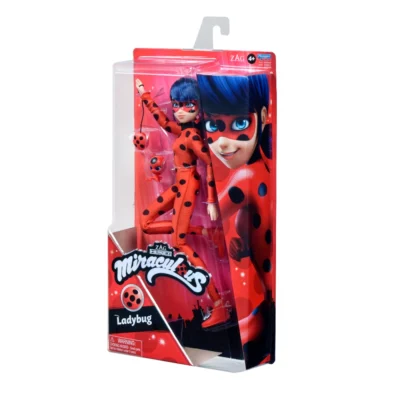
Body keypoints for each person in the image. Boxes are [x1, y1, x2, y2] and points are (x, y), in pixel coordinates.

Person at [135, 77, 229, 329]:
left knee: (179, 243)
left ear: (199, 108)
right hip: (179, 183)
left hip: (188, 185)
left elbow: (211, 163)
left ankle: (218, 302)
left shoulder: (193, 136)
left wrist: (211, 200)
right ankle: (201, 232)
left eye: (188, 105)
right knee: (145, 222)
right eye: (176, 104)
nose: (179, 110)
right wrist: (145, 95)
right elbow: (165, 123)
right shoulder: (184, 132)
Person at [197, 73, 275, 365]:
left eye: (240, 123)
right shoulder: (263, 169)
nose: (222, 143)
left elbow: (219, 211)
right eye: (213, 126)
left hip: (260, 298)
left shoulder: (243, 178)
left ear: (263, 116)